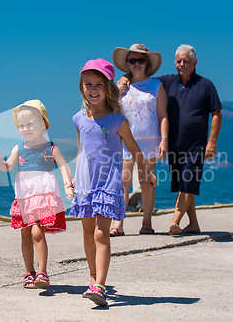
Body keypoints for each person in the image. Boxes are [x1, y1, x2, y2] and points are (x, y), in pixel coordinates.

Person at [69, 58, 155, 307]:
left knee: (100, 232)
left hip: (109, 182)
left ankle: (100, 286)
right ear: (81, 87)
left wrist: (146, 172)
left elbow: (134, 149)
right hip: (85, 183)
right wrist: (75, 177)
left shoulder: (118, 121)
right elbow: (80, 150)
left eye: (98, 84)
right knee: (86, 233)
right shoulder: (78, 119)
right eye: (88, 84)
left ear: (108, 88)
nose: (93, 89)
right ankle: (93, 278)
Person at [118, 44, 222, 235]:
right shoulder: (168, 81)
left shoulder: (205, 85)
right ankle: (193, 224)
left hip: (193, 144)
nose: (182, 64)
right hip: (174, 143)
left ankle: (172, 221)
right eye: (178, 61)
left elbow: (216, 113)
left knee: (185, 182)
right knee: (183, 185)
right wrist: (124, 77)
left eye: (186, 61)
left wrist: (212, 142)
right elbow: (139, 79)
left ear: (195, 62)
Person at [0, 100, 74, 289]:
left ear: (43, 124)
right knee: (26, 235)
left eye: (31, 124)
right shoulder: (18, 148)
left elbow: (62, 165)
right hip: (24, 197)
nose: (26, 128)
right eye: (21, 126)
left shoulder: (51, 147)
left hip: (43, 196)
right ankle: (29, 272)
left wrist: (68, 184)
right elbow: (8, 166)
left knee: (37, 232)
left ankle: (42, 272)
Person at [109, 43, 169, 236]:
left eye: (140, 60)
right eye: (132, 60)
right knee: (123, 180)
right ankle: (118, 224)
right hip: (125, 139)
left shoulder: (156, 86)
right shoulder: (121, 86)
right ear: (127, 63)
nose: (136, 63)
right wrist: (118, 90)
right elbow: (112, 111)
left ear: (147, 63)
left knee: (146, 181)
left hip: (150, 139)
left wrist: (164, 140)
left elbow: (163, 115)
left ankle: (147, 223)